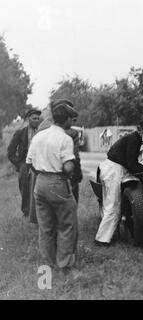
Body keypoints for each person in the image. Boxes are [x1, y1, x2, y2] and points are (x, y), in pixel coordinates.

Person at [26, 101, 79, 270]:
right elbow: (69, 167)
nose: (73, 122)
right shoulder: (65, 138)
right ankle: (64, 265)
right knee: (67, 224)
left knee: (46, 227)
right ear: (66, 120)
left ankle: (48, 266)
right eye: (72, 118)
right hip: (58, 182)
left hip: (40, 182)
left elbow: (29, 163)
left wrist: (42, 173)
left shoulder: (38, 136)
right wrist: (68, 173)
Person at [95, 120, 143, 245]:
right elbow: (133, 165)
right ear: (140, 130)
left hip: (111, 168)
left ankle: (106, 236)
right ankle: (101, 240)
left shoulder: (134, 139)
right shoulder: (134, 140)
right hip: (113, 170)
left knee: (110, 205)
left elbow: (131, 164)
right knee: (113, 206)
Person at [7, 108, 41, 217]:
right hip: (24, 164)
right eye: (34, 118)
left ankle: (38, 213)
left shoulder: (42, 133)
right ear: (28, 119)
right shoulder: (20, 133)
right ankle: (26, 212)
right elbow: (10, 151)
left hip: (39, 164)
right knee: (25, 188)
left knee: (39, 188)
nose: (36, 120)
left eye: (38, 118)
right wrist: (19, 164)